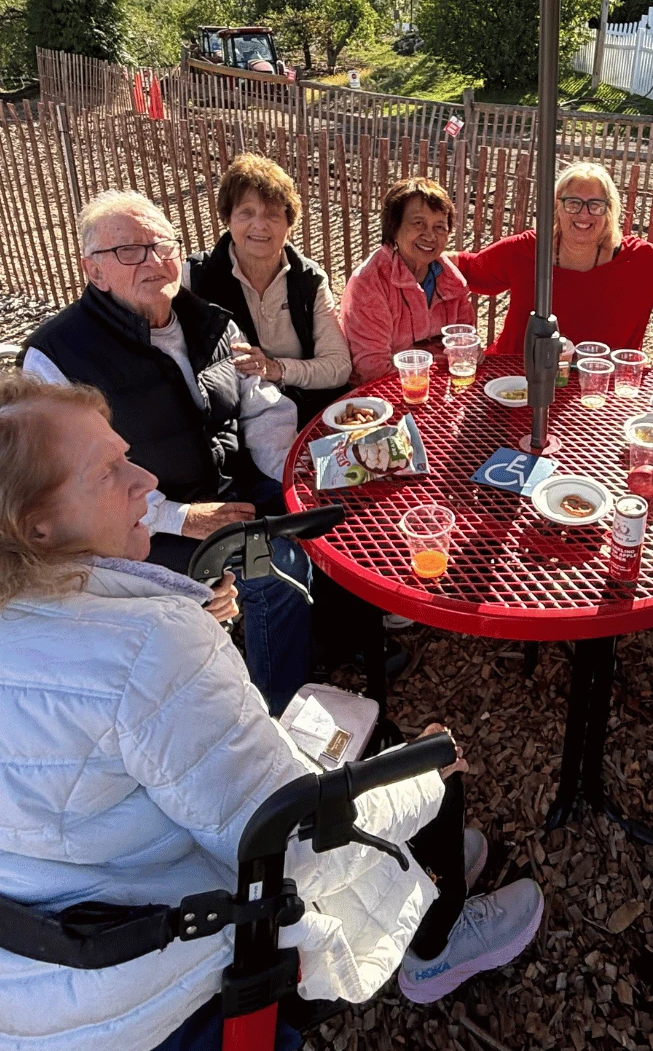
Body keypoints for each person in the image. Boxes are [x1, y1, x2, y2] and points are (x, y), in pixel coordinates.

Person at [0, 374, 545, 1051]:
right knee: (424, 755)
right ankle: (434, 940)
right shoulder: (152, 650)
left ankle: (423, 861)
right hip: (169, 973)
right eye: (110, 472)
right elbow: (295, 845)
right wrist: (423, 785)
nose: (146, 480)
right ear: (35, 525)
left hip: (42, 981)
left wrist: (176, 622)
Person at [20, 188, 311, 715]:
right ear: (94, 271)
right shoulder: (57, 355)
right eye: (129, 251)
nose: (154, 261)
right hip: (137, 527)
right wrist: (180, 517)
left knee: (317, 524)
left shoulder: (213, 323)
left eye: (163, 244)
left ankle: (320, 649)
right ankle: (274, 716)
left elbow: (263, 412)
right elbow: (69, 486)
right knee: (277, 572)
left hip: (230, 491)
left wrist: (292, 482)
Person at [449, 162, 653, 356]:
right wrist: (413, 253)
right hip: (514, 384)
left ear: (610, 210)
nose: (583, 213)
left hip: (599, 395)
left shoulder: (642, 262)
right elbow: (468, 268)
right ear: (557, 206)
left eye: (595, 205)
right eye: (573, 203)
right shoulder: (528, 249)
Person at [184, 153, 352, 426]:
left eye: (273, 215)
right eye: (246, 213)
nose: (259, 225)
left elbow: (338, 366)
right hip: (232, 425)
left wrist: (277, 369)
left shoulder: (309, 279)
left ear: (289, 223)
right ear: (228, 218)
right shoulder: (195, 278)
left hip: (306, 415)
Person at [341, 177, 474, 387]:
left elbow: (465, 347)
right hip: (379, 398)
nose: (430, 236)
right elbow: (372, 369)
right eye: (418, 223)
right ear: (394, 228)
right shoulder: (369, 283)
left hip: (441, 392)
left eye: (440, 226)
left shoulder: (452, 282)